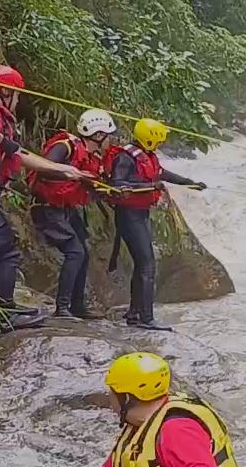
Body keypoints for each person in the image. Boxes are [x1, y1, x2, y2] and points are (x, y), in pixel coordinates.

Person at [0, 65, 92, 329]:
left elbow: (22, 155)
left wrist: (65, 169)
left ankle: (4, 309)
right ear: (5, 92)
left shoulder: (0, 119)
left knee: (2, 251)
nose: (19, 100)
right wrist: (2, 142)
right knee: (5, 253)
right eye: (17, 94)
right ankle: (5, 313)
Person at [103, 118, 206, 331]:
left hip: (140, 214)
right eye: (158, 140)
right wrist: (150, 185)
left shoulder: (146, 156)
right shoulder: (125, 158)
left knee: (143, 264)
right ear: (148, 140)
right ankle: (146, 318)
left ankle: (134, 313)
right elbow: (117, 183)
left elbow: (162, 174)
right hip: (128, 215)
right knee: (148, 265)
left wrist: (190, 183)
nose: (160, 144)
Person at [28, 109, 118, 319]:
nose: (110, 140)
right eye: (108, 135)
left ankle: (77, 306)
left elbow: (90, 188)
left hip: (64, 209)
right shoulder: (65, 146)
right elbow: (45, 168)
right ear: (98, 135)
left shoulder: (90, 155)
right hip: (47, 208)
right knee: (75, 252)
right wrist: (75, 176)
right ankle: (62, 308)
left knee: (83, 254)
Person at [102, 352, 238, 467]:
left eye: (112, 392)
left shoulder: (177, 430)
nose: (110, 400)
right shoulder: (140, 424)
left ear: (126, 398)